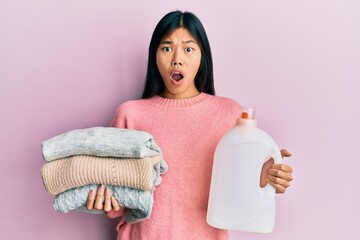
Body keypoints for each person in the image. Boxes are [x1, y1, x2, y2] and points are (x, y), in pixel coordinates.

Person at [86, 10, 294, 240]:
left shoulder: (230, 115)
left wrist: (265, 179)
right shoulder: (130, 115)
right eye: (166, 48)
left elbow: (240, 197)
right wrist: (102, 198)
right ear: (154, 56)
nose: (177, 58)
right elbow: (117, 204)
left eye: (188, 48)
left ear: (202, 57)